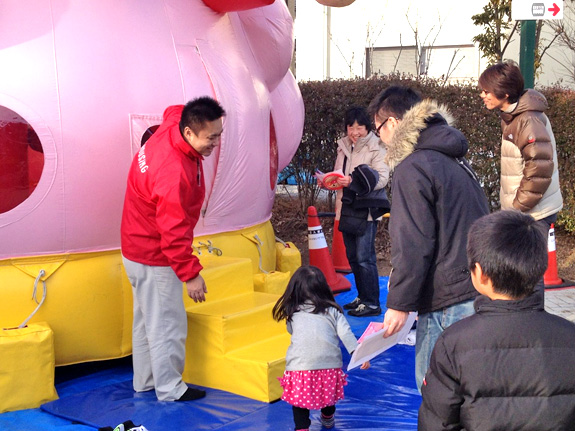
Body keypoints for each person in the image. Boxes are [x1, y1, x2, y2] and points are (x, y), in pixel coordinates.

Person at [368, 85, 489, 391]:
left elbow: (414, 243)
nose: (379, 138)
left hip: (446, 299)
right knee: (470, 389)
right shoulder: (454, 159)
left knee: (436, 392)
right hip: (474, 287)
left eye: (377, 129)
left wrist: (398, 303)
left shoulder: (414, 166)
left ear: (393, 124)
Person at [419, 210, 575, 430]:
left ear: (480, 274)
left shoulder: (452, 343)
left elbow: (437, 423)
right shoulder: (570, 337)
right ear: (539, 268)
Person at [121, 96, 225, 402]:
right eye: (211, 138)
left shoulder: (174, 124)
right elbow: (172, 231)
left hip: (135, 248)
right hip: (154, 255)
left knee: (146, 321)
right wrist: (190, 274)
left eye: (219, 134)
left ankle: (146, 382)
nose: (215, 143)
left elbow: (172, 110)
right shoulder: (172, 172)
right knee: (168, 325)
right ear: (190, 133)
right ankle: (170, 389)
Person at [272, 265, 370, 431]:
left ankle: (302, 428)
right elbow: (346, 334)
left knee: (299, 403)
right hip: (329, 366)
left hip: (300, 367)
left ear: (295, 289)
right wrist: (359, 354)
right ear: (323, 288)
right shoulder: (332, 311)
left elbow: (290, 330)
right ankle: (327, 416)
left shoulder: (293, 312)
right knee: (328, 396)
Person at [478, 61, 563, 235]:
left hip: (534, 215)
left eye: (486, 91)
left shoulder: (527, 120)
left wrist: (516, 209)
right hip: (526, 213)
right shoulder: (512, 116)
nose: (482, 95)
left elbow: (539, 171)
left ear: (505, 93)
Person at [331, 106, 390, 317]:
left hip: (365, 210)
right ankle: (362, 296)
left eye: (359, 127)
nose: (355, 132)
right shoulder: (343, 146)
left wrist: (354, 181)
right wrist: (330, 181)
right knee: (353, 258)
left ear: (367, 128)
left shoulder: (376, 146)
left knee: (365, 257)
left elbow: (382, 178)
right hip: (346, 208)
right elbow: (340, 174)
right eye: (350, 127)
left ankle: (372, 302)